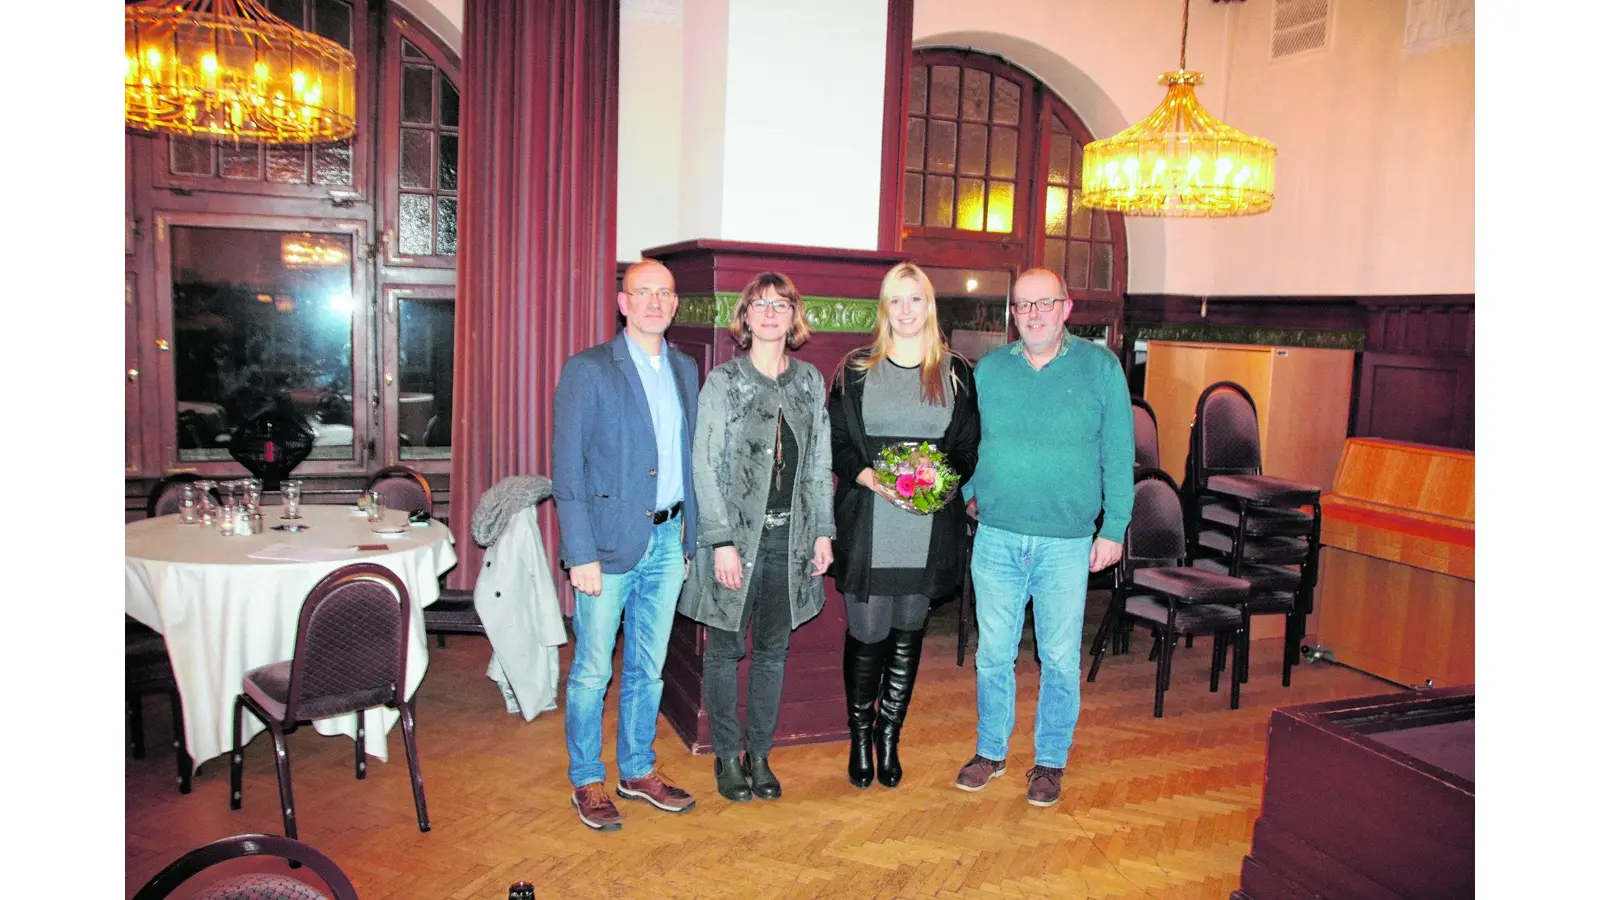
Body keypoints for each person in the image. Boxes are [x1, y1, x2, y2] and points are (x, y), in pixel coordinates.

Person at [954, 266, 1134, 809]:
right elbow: (967, 444)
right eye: (1023, 306)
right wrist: (969, 492)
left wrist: (1115, 528)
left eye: (1043, 304)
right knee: (993, 655)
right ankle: (991, 751)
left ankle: (1050, 761)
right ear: (1013, 313)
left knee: (1057, 658)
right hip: (997, 537)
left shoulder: (1101, 368)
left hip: (1067, 542)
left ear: (1066, 308)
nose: (1032, 314)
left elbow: (1119, 455)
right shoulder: (987, 371)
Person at [551, 258, 700, 832]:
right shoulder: (589, 370)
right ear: (623, 302)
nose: (655, 303)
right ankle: (587, 779)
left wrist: (688, 538)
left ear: (674, 302)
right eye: (643, 292)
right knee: (592, 669)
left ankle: (637, 770)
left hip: (668, 539)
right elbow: (567, 469)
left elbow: (687, 462)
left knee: (649, 666)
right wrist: (579, 552)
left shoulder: (685, 368)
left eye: (664, 293)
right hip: (607, 546)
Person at [678, 271, 836, 804]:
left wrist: (822, 531)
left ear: (795, 315)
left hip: (788, 543)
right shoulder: (725, 380)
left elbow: (819, 463)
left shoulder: (811, 382)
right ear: (745, 316)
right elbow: (703, 463)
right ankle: (726, 755)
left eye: (781, 304)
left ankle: (759, 754)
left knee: (773, 652)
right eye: (759, 304)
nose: (770, 312)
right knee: (724, 651)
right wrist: (719, 539)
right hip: (734, 544)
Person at [827, 262, 979, 790]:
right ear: (884, 307)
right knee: (867, 631)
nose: (907, 310)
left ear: (928, 305)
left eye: (915, 299)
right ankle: (860, 735)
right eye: (897, 300)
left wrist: (940, 484)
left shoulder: (956, 370)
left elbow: (965, 448)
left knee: (908, 632)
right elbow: (840, 443)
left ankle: (890, 735)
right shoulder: (855, 370)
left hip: (927, 527)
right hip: (870, 522)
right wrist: (867, 475)